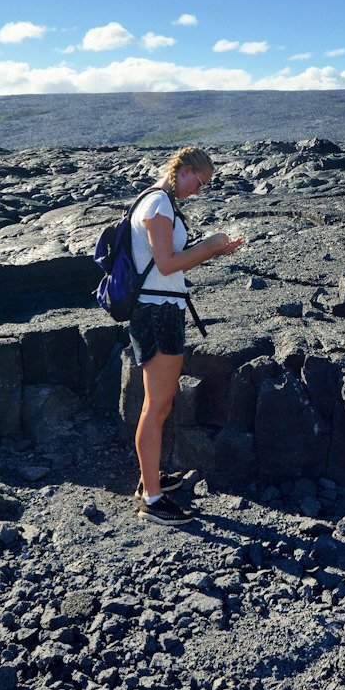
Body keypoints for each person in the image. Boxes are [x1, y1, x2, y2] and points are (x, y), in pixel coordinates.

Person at [128, 146, 244, 525]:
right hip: (158, 312)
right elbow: (166, 264)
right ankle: (152, 499)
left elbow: (167, 263)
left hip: (162, 309)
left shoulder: (157, 201)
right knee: (157, 406)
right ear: (184, 169)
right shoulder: (159, 204)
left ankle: (150, 480)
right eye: (200, 181)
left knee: (158, 404)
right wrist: (208, 246)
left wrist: (213, 252)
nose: (198, 190)